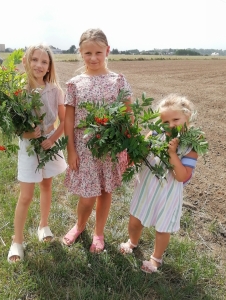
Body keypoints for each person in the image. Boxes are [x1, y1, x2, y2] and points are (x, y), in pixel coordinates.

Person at [62, 28, 132, 253]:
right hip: (84, 148)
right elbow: (69, 119)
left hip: (110, 148)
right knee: (87, 195)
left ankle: (98, 233)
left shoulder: (118, 81)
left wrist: (129, 147)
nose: (93, 58)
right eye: (88, 53)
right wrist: (71, 149)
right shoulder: (74, 83)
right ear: (80, 53)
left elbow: (128, 115)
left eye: (98, 53)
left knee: (104, 191)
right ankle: (79, 225)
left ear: (107, 51)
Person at [119, 94, 198, 273]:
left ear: (188, 117)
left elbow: (182, 176)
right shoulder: (155, 134)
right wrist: (129, 148)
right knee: (135, 220)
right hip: (146, 187)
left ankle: (156, 258)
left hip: (167, 193)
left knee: (162, 228)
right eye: (165, 121)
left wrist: (172, 154)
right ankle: (132, 242)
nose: (171, 125)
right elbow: (139, 156)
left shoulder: (191, 147)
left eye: (176, 119)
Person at [7, 44, 67, 263]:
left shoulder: (55, 90)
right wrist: (27, 132)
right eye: (34, 60)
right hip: (28, 146)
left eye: (44, 61)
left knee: (46, 185)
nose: (39, 65)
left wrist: (52, 138)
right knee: (26, 195)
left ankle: (43, 225)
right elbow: (13, 125)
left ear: (50, 66)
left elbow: (64, 120)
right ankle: (17, 240)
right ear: (26, 61)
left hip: (49, 146)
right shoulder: (18, 90)